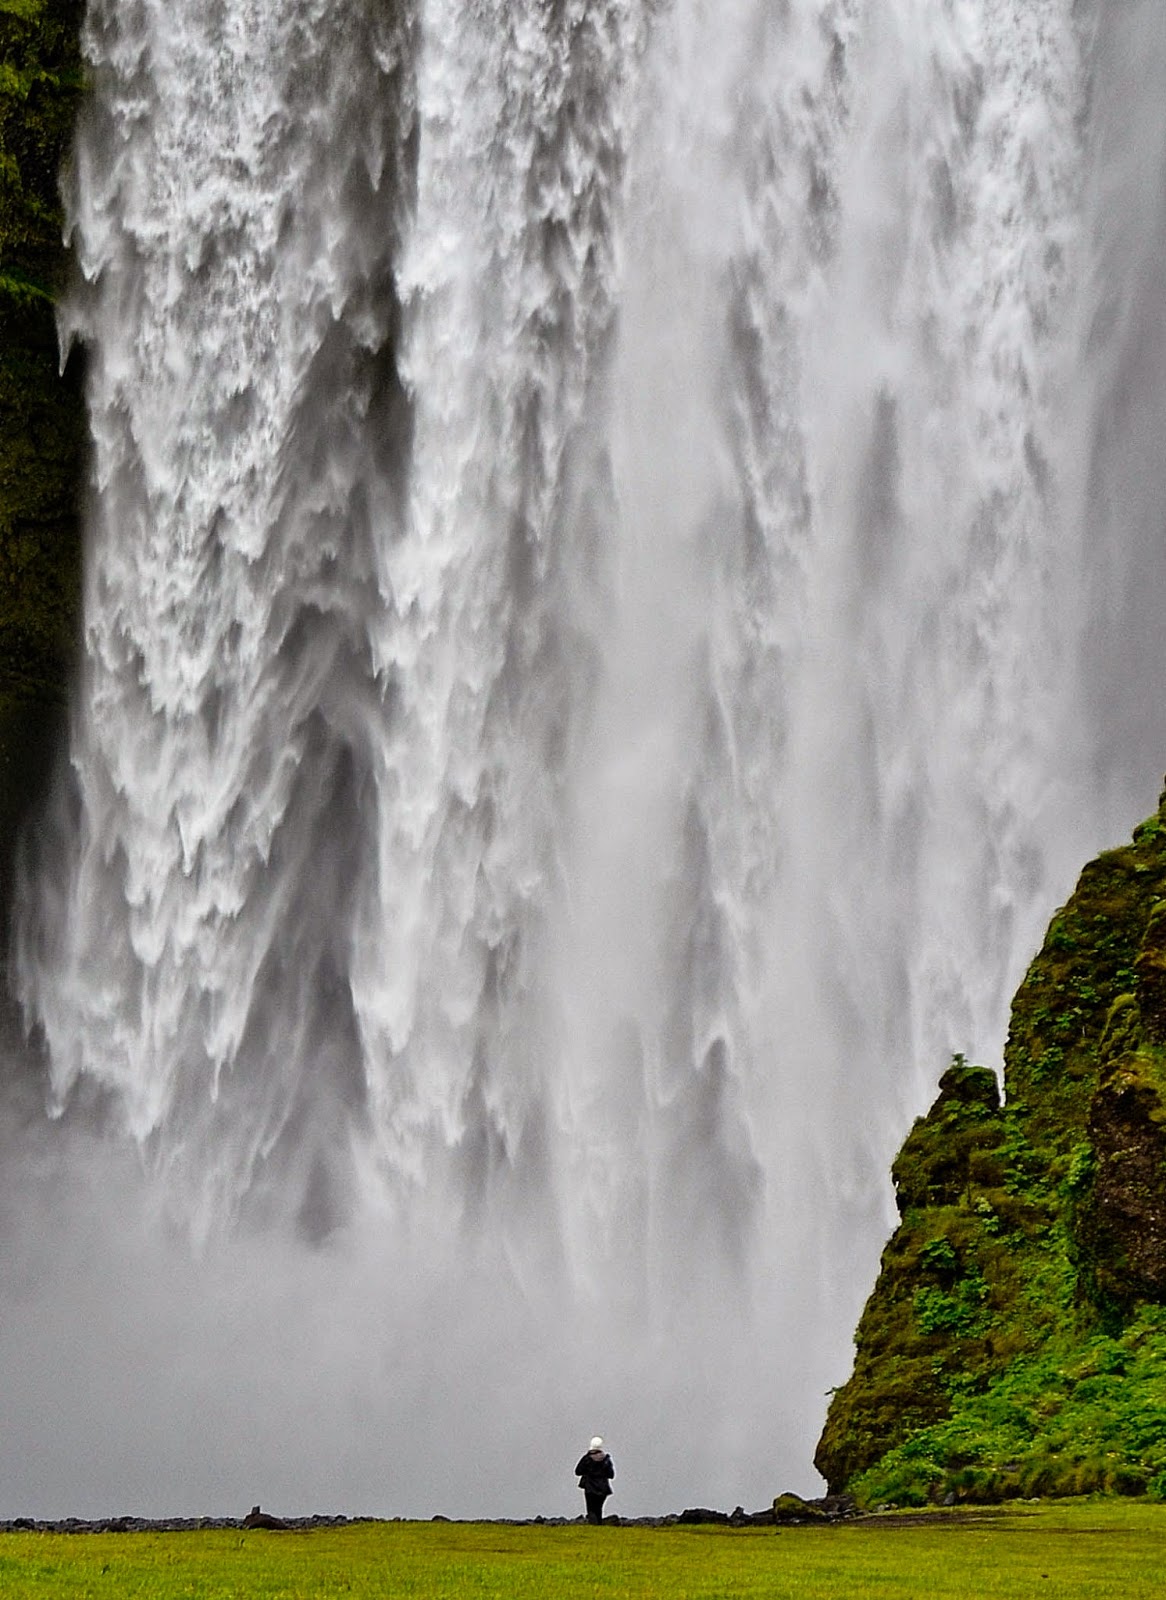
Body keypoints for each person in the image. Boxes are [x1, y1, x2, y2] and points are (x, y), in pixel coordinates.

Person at [575, 1435, 615, 1523]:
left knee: (591, 1509)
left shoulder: (586, 1459)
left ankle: (593, 1526)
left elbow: (578, 1471)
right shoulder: (606, 1460)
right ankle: (599, 1526)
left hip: (590, 1488)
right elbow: (611, 1475)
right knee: (599, 1509)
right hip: (603, 1488)